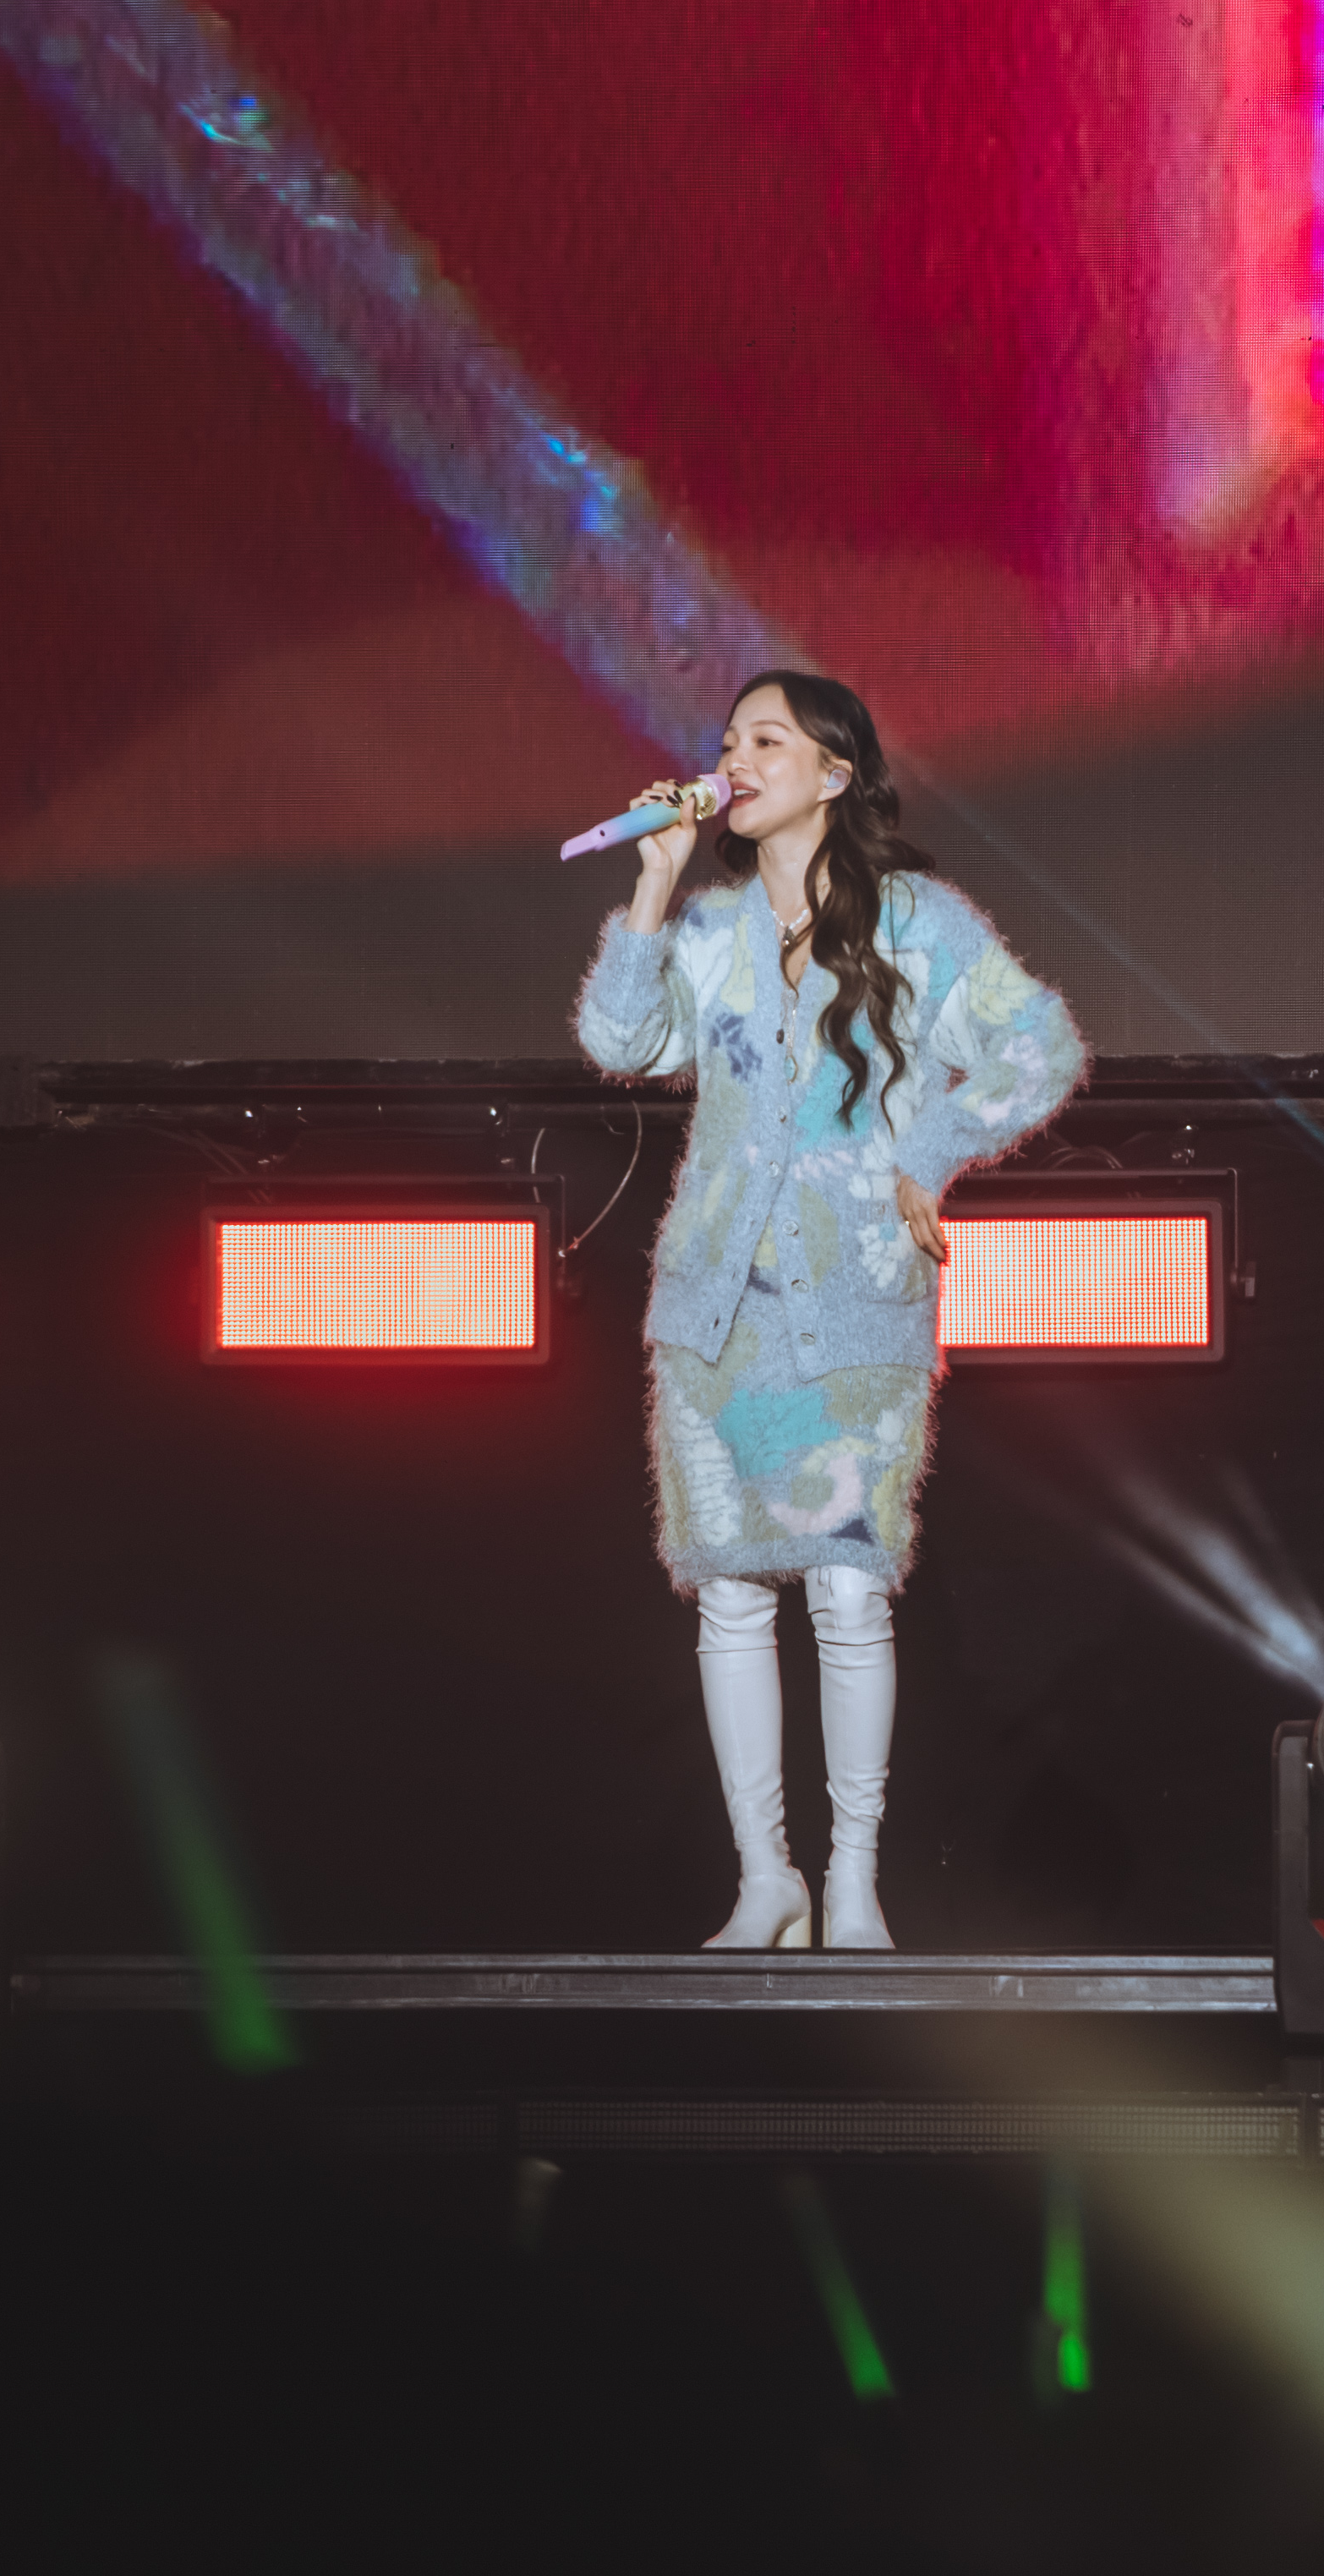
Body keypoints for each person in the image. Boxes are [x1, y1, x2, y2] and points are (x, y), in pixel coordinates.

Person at [572, 671, 1082, 1948]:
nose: (734, 760)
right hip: (713, 1321)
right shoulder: (710, 929)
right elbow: (621, 1043)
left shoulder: (918, 924)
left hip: (857, 1310)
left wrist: (931, 1150)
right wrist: (653, 886)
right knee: (732, 1598)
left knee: (850, 1596)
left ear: (833, 773)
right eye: (727, 741)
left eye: (766, 739)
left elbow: (1041, 1046)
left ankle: (854, 1883)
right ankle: (768, 1880)